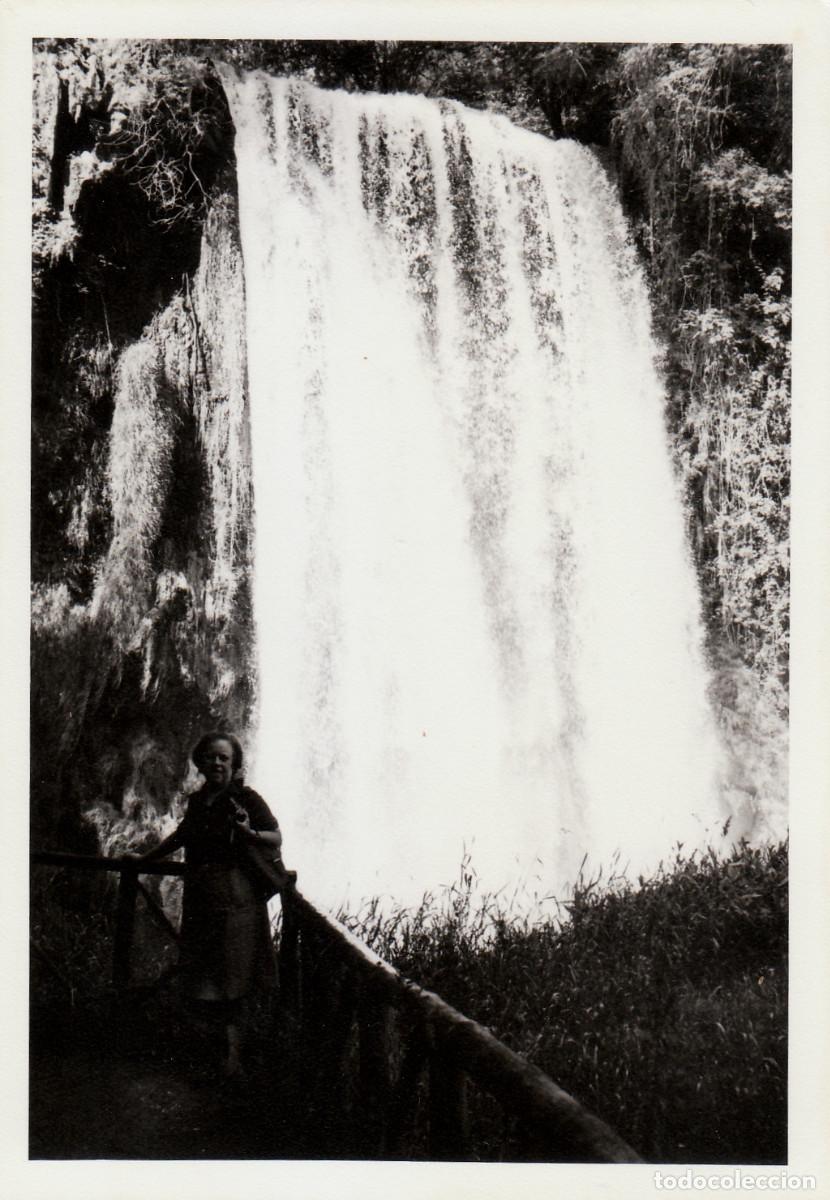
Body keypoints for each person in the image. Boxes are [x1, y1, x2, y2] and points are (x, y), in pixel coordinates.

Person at [137, 731, 282, 1077]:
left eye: (224, 758)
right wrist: (143, 858)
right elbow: (182, 836)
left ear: (234, 765)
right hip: (202, 896)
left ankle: (233, 1062)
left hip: (236, 899)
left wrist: (248, 832)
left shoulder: (246, 798)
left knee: (232, 979)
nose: (217, 763)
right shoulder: (199, 800)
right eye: (211, 757)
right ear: (200, 763)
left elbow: (276, 836)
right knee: (206, 975)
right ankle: (215, 1056)